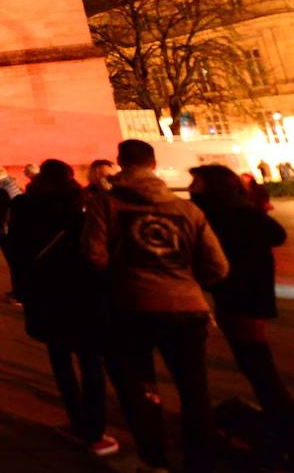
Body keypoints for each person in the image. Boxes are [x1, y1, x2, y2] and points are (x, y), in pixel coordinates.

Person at [82, 139, 228, 473]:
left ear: (121, 163)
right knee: (194, 388)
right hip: (188, 308)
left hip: (133, 306)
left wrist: (127, 274)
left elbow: (94, 255)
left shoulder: (106, 203)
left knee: (138, 386)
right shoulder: (186, 209)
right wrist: (184, 280)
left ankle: (153, 460)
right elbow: (218, 267)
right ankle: (201, 460)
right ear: (153, 164)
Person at [8, 159, 117, 457]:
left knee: (60, 359)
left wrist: (25, 289)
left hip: (46, 293)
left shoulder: (24, 207)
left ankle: (76, 419)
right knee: (91, 362)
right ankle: (95, 430)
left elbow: (16, 253)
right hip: (84, 293)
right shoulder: (81, 206)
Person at [188, 164, 292, 439]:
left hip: (241, 294)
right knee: (254, 358)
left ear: (214, 187)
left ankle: (282, 418)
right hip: (247, 292)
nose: (190, 188)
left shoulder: (224, 215)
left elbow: (276, 234)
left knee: (255, 359)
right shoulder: (238, 212)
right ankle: (279, 414)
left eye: (196, 182)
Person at [0, 164, 22, 302]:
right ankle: (18, 291)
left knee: (15, 262)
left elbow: (6, 212)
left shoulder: (1, 188)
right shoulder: (6, 184)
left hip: (7, 231)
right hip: (9, 229)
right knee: (15, 262)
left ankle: (19, 294)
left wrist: (3, 230)